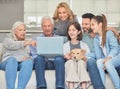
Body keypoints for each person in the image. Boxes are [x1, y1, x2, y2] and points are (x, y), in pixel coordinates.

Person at [30, 16, 65, 89]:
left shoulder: (59, 39)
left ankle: (60, 86)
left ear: (52, 26)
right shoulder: (36, 39)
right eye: (45, 26)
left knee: (59, 58)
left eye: (49, 26)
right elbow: (33, 55)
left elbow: (63, 52)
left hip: (55, 63)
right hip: (42, 63)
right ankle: (41, 86)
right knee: (38, 58)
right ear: (42, 27)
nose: (47, 28)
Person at [0, 21, 34, 89]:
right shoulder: (7, 39)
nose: (23, 32)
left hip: (21, 63)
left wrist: (29, 58)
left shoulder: (27, 43)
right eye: (20, 30)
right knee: (12, 60)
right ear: (14, 31)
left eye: (24, 30)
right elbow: (13, 45)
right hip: (7, 63)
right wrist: (25, 43)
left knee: (29, 62)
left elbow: (31, 55)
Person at [91, 14, 120, 89]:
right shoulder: (96, 39)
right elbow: (97, 56)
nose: (91, 27)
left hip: (117, 56)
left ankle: (118, 87)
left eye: (93, 24)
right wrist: (84, 55)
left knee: (108, 63)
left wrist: (109, 58)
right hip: (107, 58)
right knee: (99, 62)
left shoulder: (109, 33)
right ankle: (102, 87)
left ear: (100, 24)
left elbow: (115, 48)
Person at [82, 13, 105, 89]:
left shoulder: (102, 35)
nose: (83, 26)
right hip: (90, 62)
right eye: (82, 24)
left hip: (103, 60)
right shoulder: (82, 37)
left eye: (86, 24)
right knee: (90, 61)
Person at [64, 22, 90, 89]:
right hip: (70, 64)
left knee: (81, 62)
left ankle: (84, 87)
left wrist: (83, 58)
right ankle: (71, 87)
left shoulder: (84, 45)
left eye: (73, 30)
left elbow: (88, 57)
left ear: (78, 32)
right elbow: (64, 56)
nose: (71, 32)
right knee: (70, 62)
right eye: (69, 30)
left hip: (81, 65)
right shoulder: (65, 45)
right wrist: (66, 56)